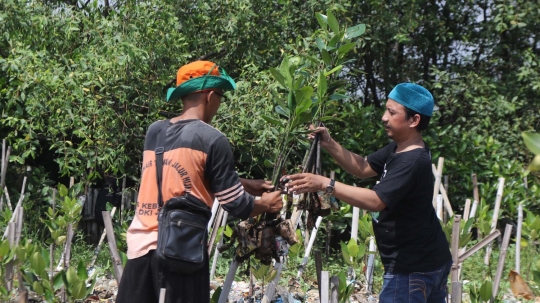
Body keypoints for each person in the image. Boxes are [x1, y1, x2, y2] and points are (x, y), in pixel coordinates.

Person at [116, 61, 283, 303]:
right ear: (210, 95)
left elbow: (178, 173)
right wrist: (266, 204)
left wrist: (244, 183)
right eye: (221, 98)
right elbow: (236, 205)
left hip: (140, 251)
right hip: (181, 253)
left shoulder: (154, 132)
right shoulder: (212, 139)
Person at [282, 83, 452, 302]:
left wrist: (325, 183)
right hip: (425, 261)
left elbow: (376, 200)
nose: (384, 117)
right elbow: (362, 167)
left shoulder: (412, 160)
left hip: (413, 268)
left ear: (414, 120)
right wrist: (329, 143)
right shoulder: (398, 148)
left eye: (392, 112)